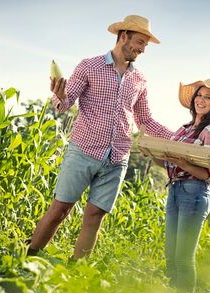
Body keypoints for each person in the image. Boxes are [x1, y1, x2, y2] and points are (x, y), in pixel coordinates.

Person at [27, 15, 173, 259]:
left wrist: (179, 137)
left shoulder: (139, 80)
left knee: (95, 216)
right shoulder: (89, 66)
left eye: (145, 46)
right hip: (83, 150)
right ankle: (27, 259)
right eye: (139, 42)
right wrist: (59, 95)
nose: (142, 50)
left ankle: (75, 273)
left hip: (117, 158)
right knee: (60, 209)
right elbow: (64, 103)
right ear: (123, 35)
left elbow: (145, 120)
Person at [149, 79, 210, 293]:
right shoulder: (183, 129)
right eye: (199, 95)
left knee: (183, 258)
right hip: (175, 190)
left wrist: (182, 162)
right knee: (170, 255)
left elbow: (209, 175)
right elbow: (169, 162)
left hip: (194, 193)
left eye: (208, 97)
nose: (201, 100)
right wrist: (152, 154)